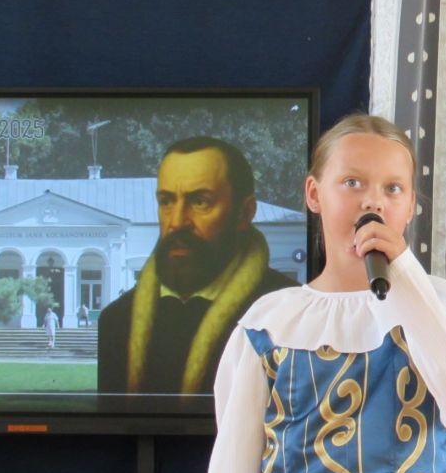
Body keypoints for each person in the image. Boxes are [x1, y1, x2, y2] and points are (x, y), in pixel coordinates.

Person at [195, 114, 446, 473]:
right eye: (352, 183)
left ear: (410, 205)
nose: (372, 202)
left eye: (392, 188)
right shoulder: (270, 325)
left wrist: (408, 281)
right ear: (314, 194)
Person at [97, 137, 298, 396]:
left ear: (245, 212)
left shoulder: (289, 314)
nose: (177, 222)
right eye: (166, 201)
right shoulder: (117, 321)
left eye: (200, 202)